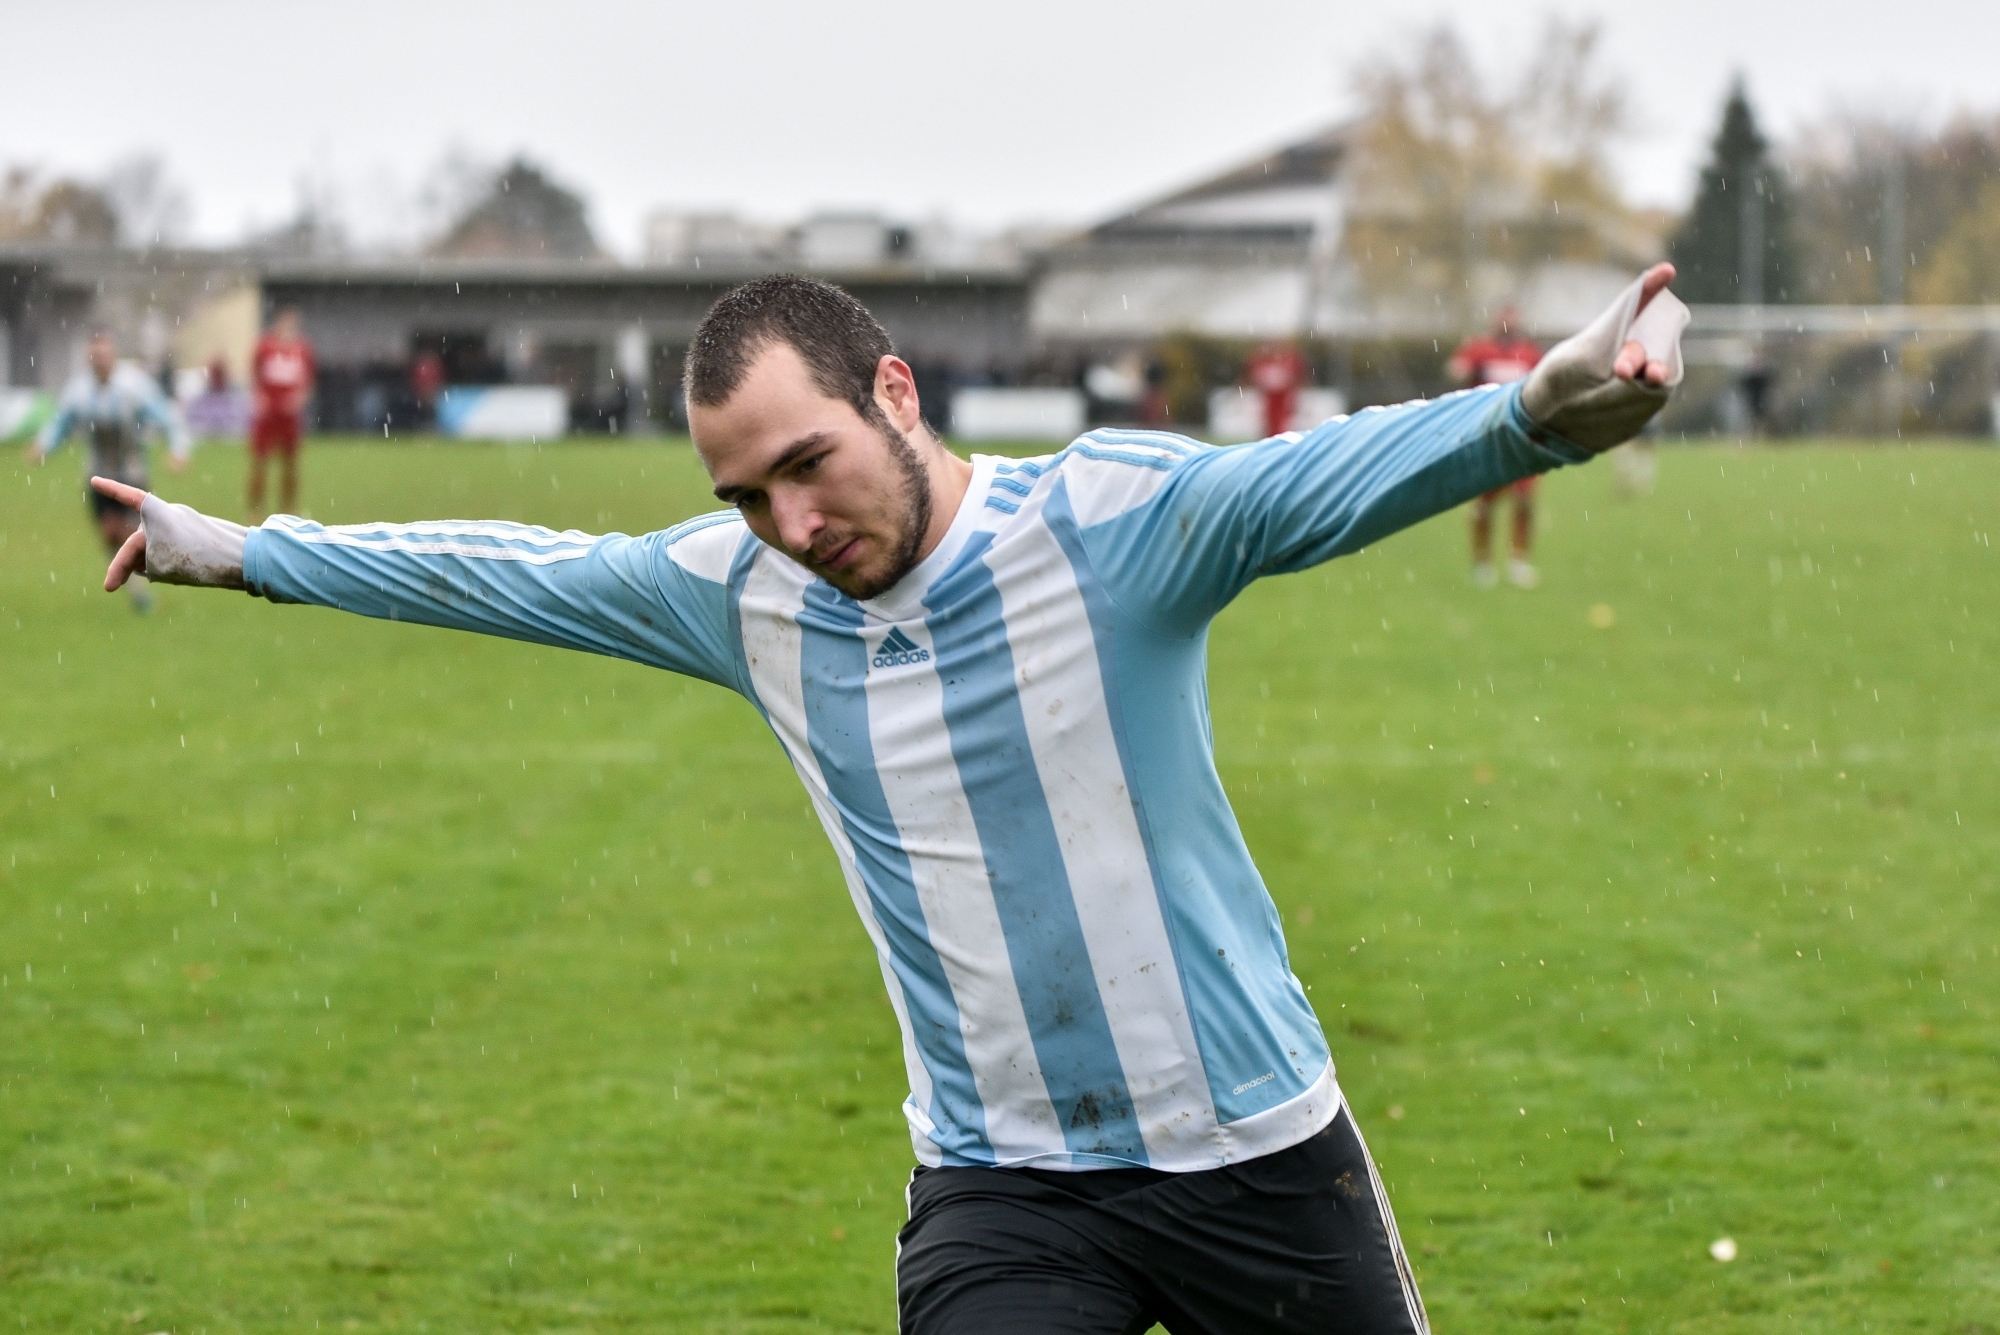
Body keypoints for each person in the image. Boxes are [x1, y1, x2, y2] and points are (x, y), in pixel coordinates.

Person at [98, 265, 1686, 1334]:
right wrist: (231, 547)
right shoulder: (738, 593)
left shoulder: (1112, 521)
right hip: (1002, 1183)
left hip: (1256, 1154)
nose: (790, 522)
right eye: (745, 495)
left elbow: (1334, 473)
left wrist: (1540, 411)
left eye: (809, 464)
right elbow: (513, 569)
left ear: (898, 395)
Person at [28, 328, 189, 613]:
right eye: (94, 355)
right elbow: (61, 422)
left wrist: (177, 449)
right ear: (88, 358)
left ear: (113, 355)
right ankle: (138, 592)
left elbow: (165, 416)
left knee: (126, 533)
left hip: (132, 472)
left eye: (104, 354)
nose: (99, 360)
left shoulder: (133, 386)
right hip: (98, 474)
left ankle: (152, 578)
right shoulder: (79, 391)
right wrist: (43, 445)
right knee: (109, 535)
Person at [1447, 308, 1544, 588]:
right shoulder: (1480, 349)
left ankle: (1519, 560)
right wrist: (1467, 369)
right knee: (1484, 504)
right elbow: (1455, 371)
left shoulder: (1528, 352)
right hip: (1487, 436)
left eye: (1512, 317)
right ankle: (1482, 562)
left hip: (1522, 437)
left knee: (1525, 499)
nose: (1507, 323)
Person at [248, 306, 316, 519]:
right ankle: (255, 508)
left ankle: (288, 508)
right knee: (259, 461)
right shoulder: (264, 347)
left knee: (291, 463)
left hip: (289, 416)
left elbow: (309, 381)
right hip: (268, 414)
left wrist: (298, 400)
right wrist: (259, 397)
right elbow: (254, 375)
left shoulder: (303, 349)